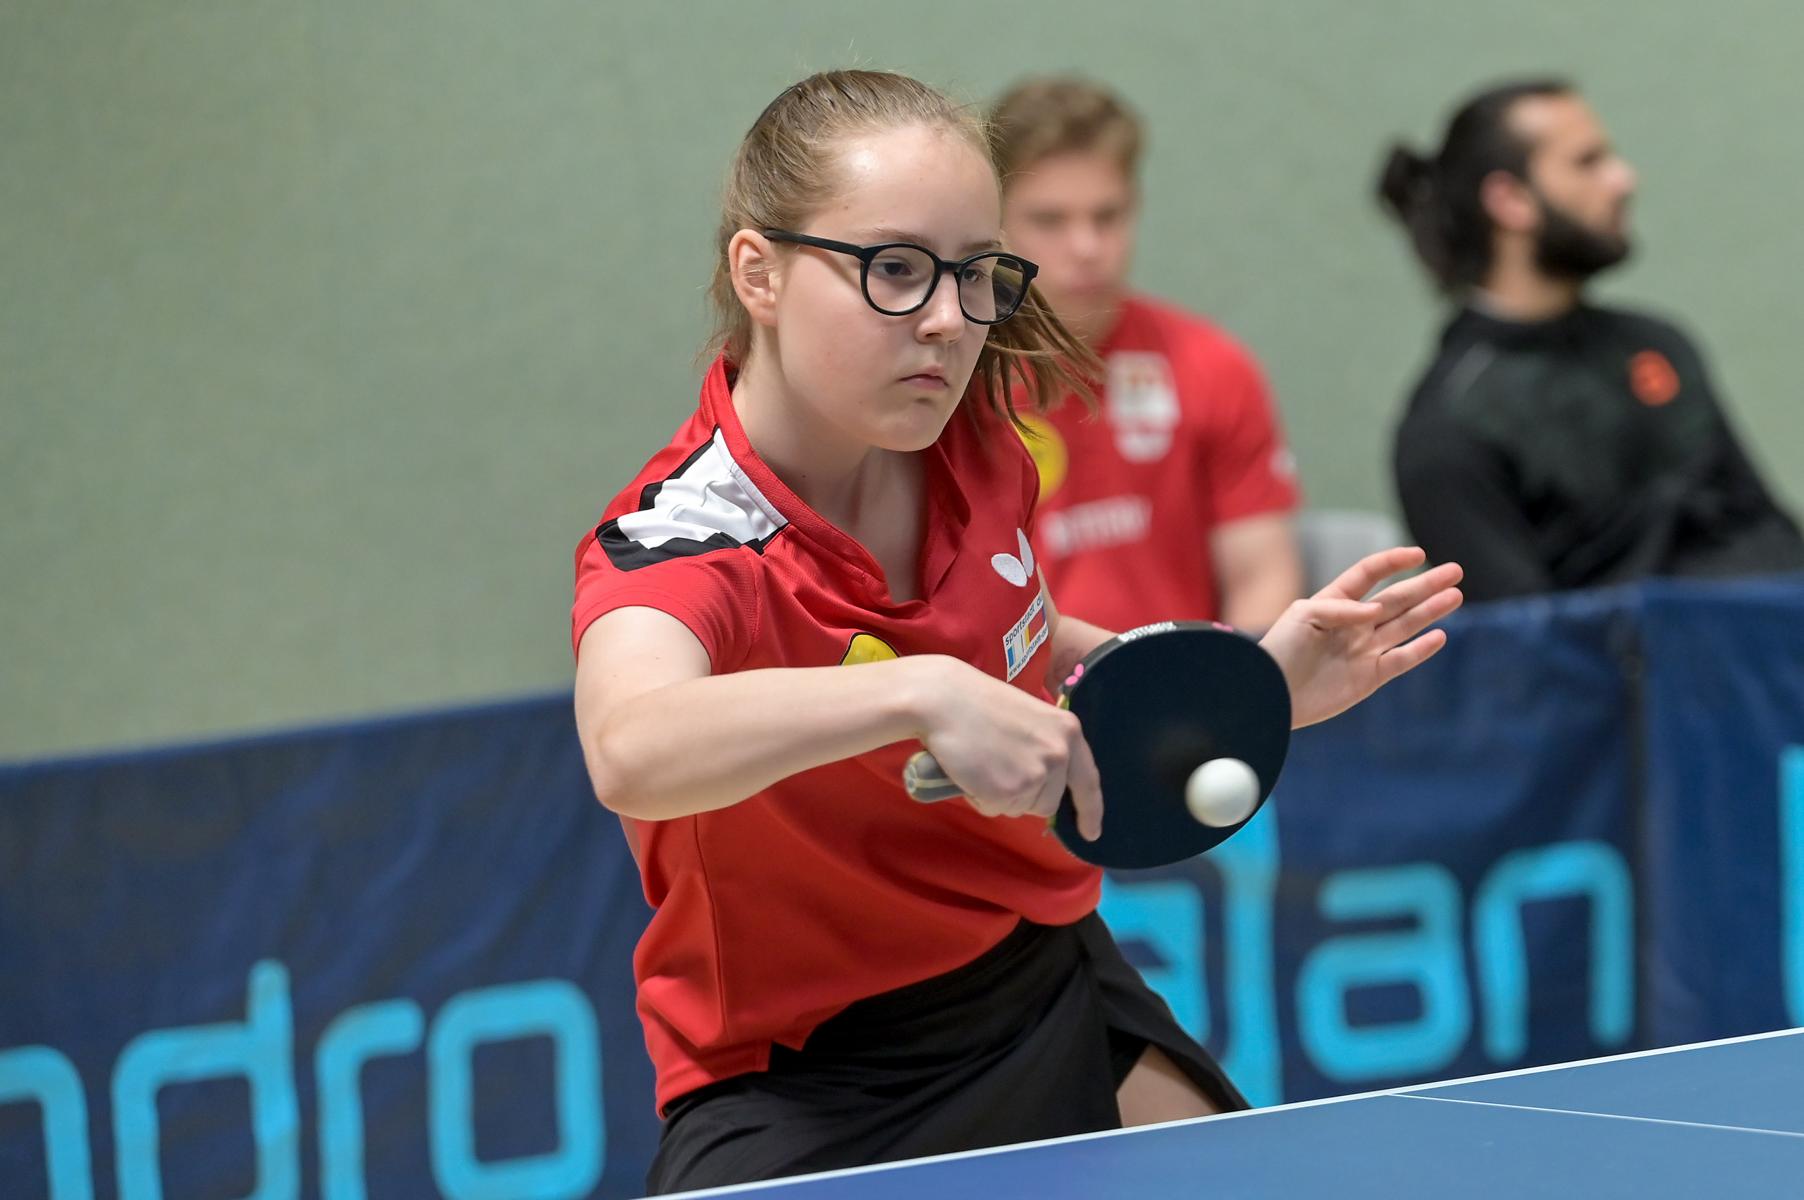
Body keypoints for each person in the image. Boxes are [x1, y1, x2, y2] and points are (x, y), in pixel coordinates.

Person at [572, 69, 1463, 1194]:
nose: (948, 320)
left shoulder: (970, 440)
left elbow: (1020, 640)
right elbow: (632, 746)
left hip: (1040, 973)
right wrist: (919, 691)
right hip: (810, 1071)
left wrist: (1236, 683)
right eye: (895, 269)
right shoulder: (688, 540)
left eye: (972, 272)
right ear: (760, 272)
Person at [1379, 78, 1804, 602]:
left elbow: (1770, 534)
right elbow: (1523, 637)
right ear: (1510, 200)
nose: (1623, 179)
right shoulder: (1450, 428)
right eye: (1588, 162)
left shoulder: (1656, 344)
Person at [989, 77, 1304, 633]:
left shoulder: (1211, 365)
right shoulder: (953, 377)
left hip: (1177, 682)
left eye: (1107, 216)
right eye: (1050, 220)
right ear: (993, 227)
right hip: (1003, 686)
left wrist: (1233, 682)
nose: (1087, 247)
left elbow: (1262, 580)